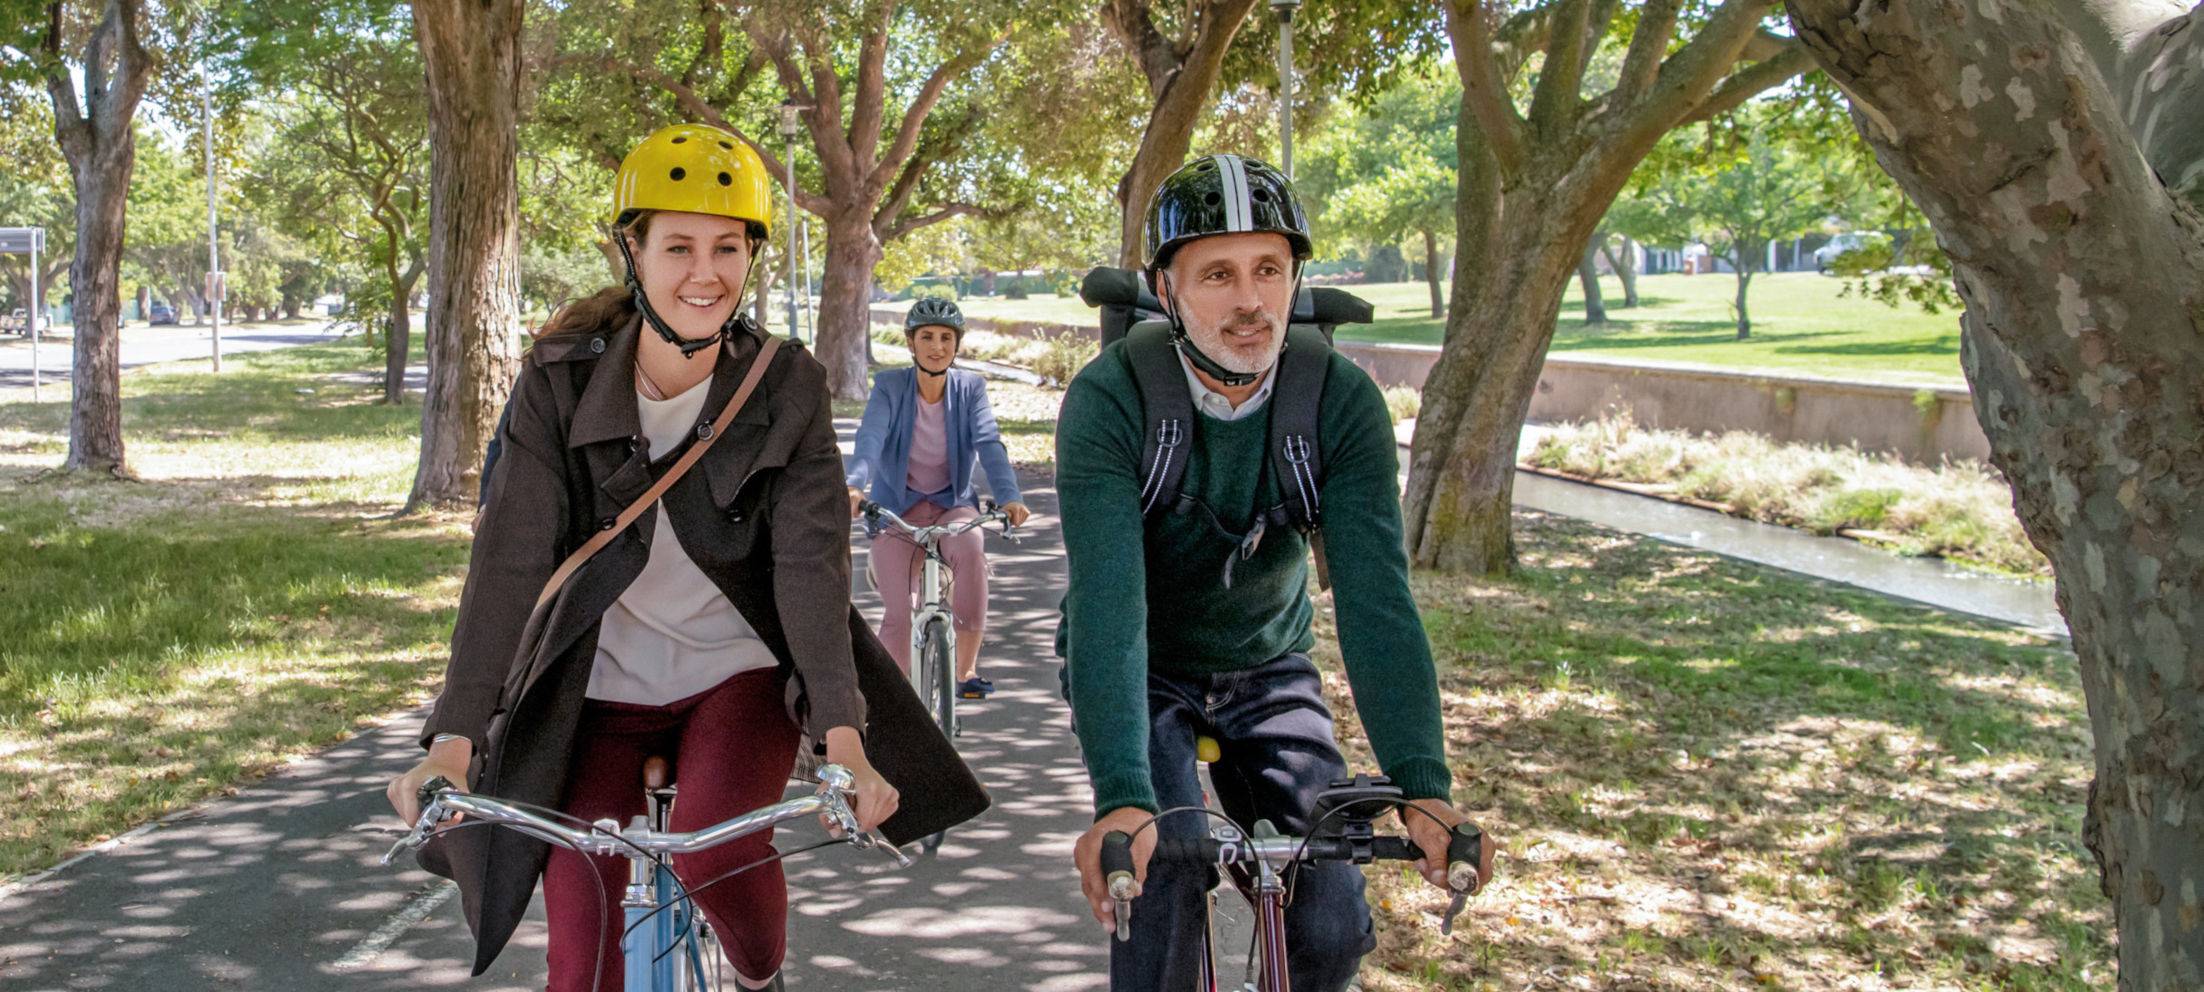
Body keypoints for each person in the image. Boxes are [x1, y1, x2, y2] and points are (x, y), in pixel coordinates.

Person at [384, 123, 981, 992]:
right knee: (579, 956)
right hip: (595, 691)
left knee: (718, 857)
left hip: (736, 679)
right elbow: (508, 561)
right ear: (632, 250)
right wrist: (453, 739)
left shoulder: (786, 384)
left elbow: (808, 568)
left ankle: (759, 976)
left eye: (727, 248)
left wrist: (843, 738)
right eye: (678, 247)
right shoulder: (558, 380)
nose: (705, 273)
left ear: (751, 256)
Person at [1055, 154, 1495, 992]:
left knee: (1331, 921)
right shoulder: (1111, 399)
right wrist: (1123, 796)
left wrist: (1422, 783)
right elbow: (1108, 603)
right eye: (1218, 274)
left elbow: (1377, 601)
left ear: (1296, 279)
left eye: (1269, 269)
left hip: (1268, 665)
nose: (1250, 301)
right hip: (1144, 665)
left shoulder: (1340, 402)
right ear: (1167, 289)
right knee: (1161, 876)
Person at [844, 297, 1031, 698]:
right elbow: (870, 439)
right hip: (898, 509)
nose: (937, 346)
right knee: (899, 614)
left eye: (946, 337)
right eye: (926, 336)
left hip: (952, 504)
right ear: (911, 342)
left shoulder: (970, 389)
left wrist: (1010, 496)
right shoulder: (890, 387)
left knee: (971, 552)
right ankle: (896, 704)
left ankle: (965, 671)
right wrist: (855, 485)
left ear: (957, 344)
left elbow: (989, 443)